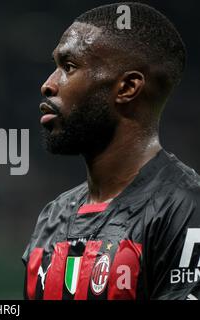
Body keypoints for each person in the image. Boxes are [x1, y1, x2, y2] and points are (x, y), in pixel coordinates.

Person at [22, 2, 200, 300]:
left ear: (127, 88)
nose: (48, 85)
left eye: (68, 67)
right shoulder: (52, 217)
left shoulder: (185, 210)